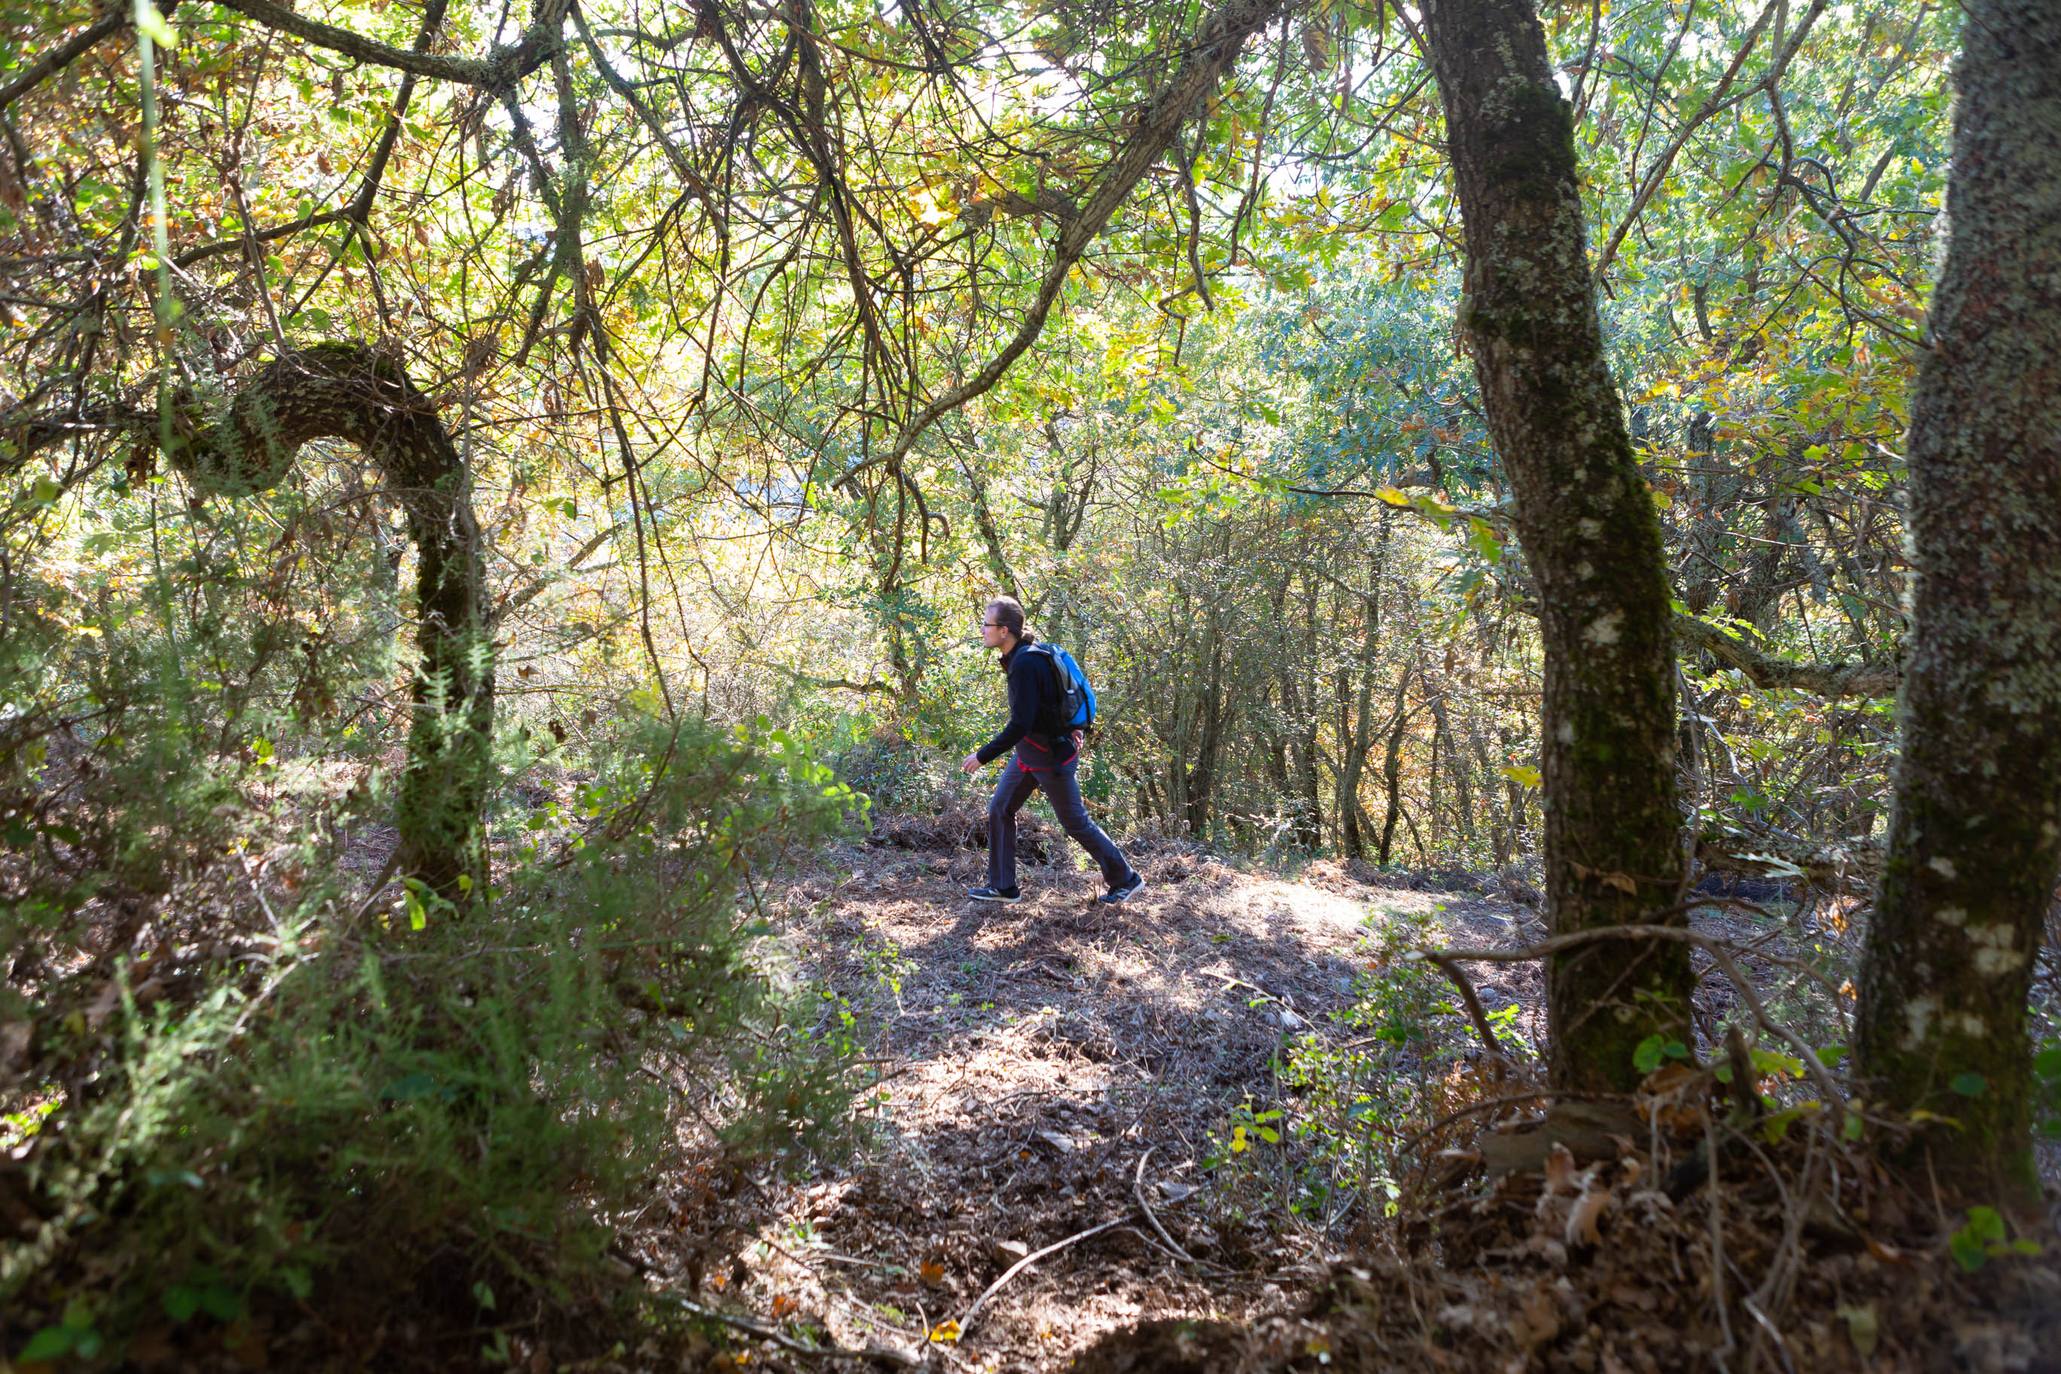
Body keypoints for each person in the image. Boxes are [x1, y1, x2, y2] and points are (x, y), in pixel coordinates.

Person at [960, 596, 1144, 905]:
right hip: (1029, 753)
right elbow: (1049, 703)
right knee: (1000, 808)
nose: (982, 629)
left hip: (1050, 757)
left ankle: (1126, 878)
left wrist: (982, 756)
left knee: (1075, 822)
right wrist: (1073, 727)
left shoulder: (1025, 663)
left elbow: (1020, 723)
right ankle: (1003, 887)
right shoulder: (1025, 656)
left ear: (1004, 630)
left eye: (986, 624)